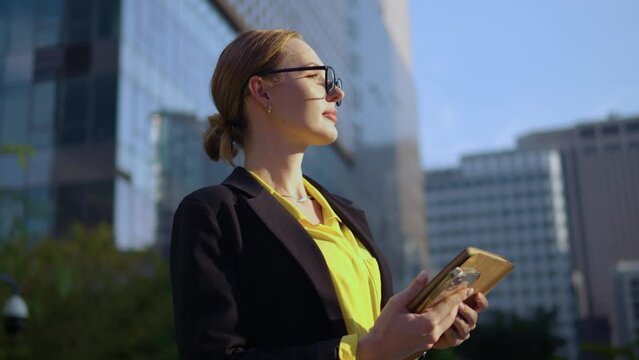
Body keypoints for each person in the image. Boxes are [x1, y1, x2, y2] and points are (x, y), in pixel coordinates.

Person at [170, 29, 489, 360]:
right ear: (262, 91)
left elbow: (376, 344)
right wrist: (365, 351)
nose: (338, 93)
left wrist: (417, 337)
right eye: (315, 76)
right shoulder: (214, 213)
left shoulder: (349, 216)